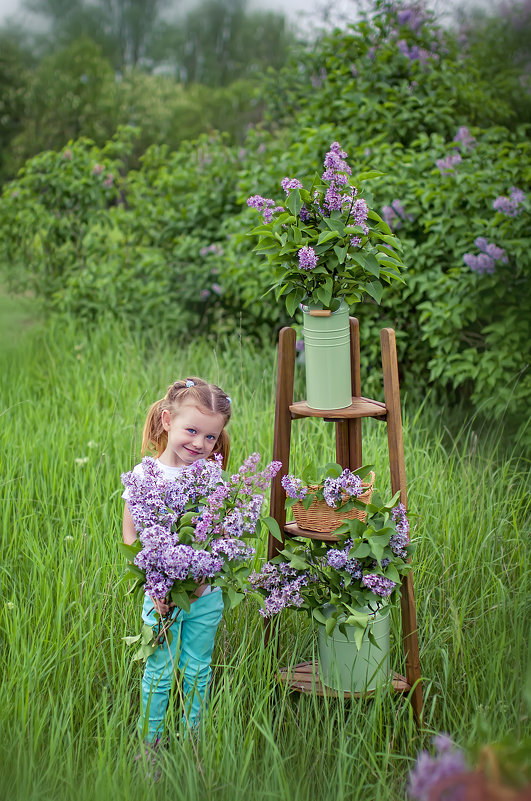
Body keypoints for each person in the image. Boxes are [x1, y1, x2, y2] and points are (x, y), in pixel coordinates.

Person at [122, 377, 232, 744]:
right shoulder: (143, 476)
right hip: (160, 595)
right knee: (158, 670)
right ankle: (149, 746)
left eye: (210, 437)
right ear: (167, 420)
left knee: (198, 669)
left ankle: (191, 743)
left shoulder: (212, 476)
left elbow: (222, 535)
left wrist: (203, 579)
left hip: (204, 594)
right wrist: (156, 587)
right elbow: (132, 538)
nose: (200, 443)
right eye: (192, 430)